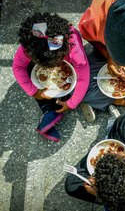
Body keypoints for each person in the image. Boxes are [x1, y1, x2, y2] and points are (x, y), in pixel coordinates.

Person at [12, 12, 90, 142]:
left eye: (55, 63)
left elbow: (83, 77)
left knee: (73, 87)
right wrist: (34, 91)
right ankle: (50, 111)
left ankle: (50, 111)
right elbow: (18, 67)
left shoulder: (74, 50)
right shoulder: (30, 46)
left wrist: (71, 104)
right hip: (44, 55)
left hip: (69, 69)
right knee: (30, 74)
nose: (50, 69)